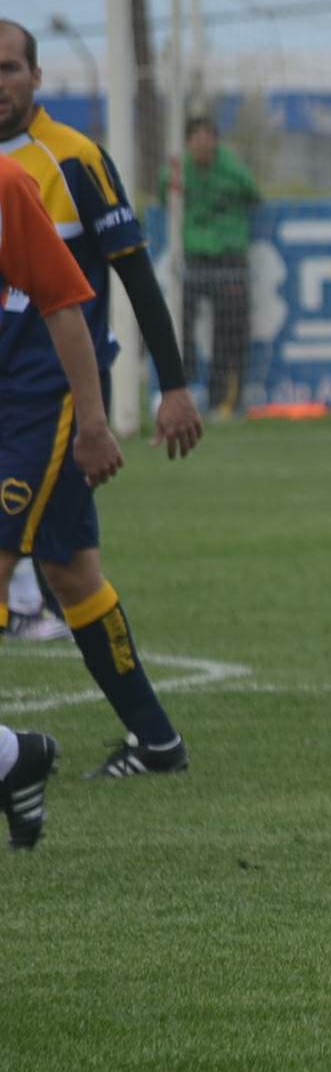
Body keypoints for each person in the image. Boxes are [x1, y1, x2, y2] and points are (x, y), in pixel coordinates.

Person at [0, 18, 203, 777]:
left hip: (46, 399)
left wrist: (172, 386)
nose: (0, 83)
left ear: (36, 76)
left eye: (10, 67)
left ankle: (17, 762)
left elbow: (134, 273)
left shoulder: (74, 159)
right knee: (71, 571)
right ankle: (157, 742)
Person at [0, 148, 97, 843]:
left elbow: (64, 304)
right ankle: (14, 757)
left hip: (23, 412)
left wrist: (93, 419)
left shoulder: (8, 186)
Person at [162, 113, 258, 417]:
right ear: (188, 142)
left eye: (209, 137)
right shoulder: (179, 171)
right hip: (194, 260)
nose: (203, 144)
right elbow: (164, 185)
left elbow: (254, 192)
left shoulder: (230, 169)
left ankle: (225, 400)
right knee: (178, 319)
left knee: (229, 331)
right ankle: (182, 385)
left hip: (230, 259)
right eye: (197, 138)